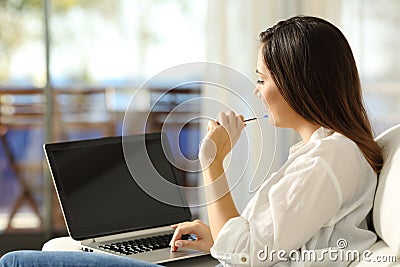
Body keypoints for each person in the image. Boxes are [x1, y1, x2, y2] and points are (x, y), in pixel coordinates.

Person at [0, 15, 382, 267]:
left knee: (18, 261)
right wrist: (216, 235)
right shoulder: (326, 153)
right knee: (55, 249)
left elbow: (247, 255)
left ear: (298, 83)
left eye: (263, 79)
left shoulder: (329, 157)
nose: (257, 90)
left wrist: (211, 161)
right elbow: (274, 240)